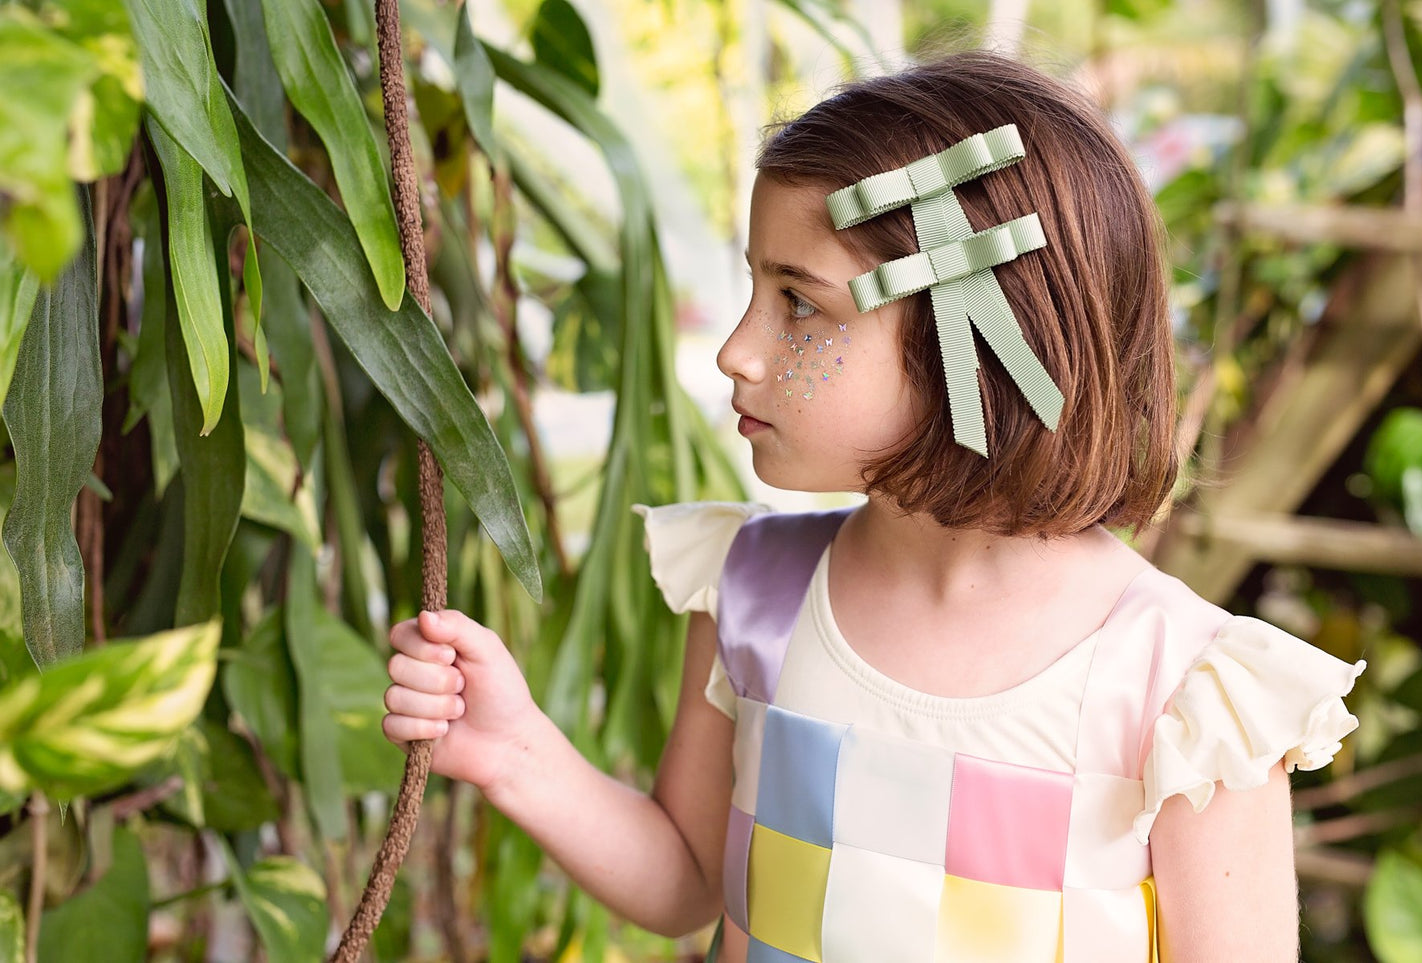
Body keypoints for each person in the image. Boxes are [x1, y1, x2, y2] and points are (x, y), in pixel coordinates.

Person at [382, 51, 1365, 962]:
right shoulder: (752, 592)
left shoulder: (1181, 692)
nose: (735, 349)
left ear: (979, 344)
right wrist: (517, 753)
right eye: (755, 289)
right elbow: (688, 880)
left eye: (798, 303)